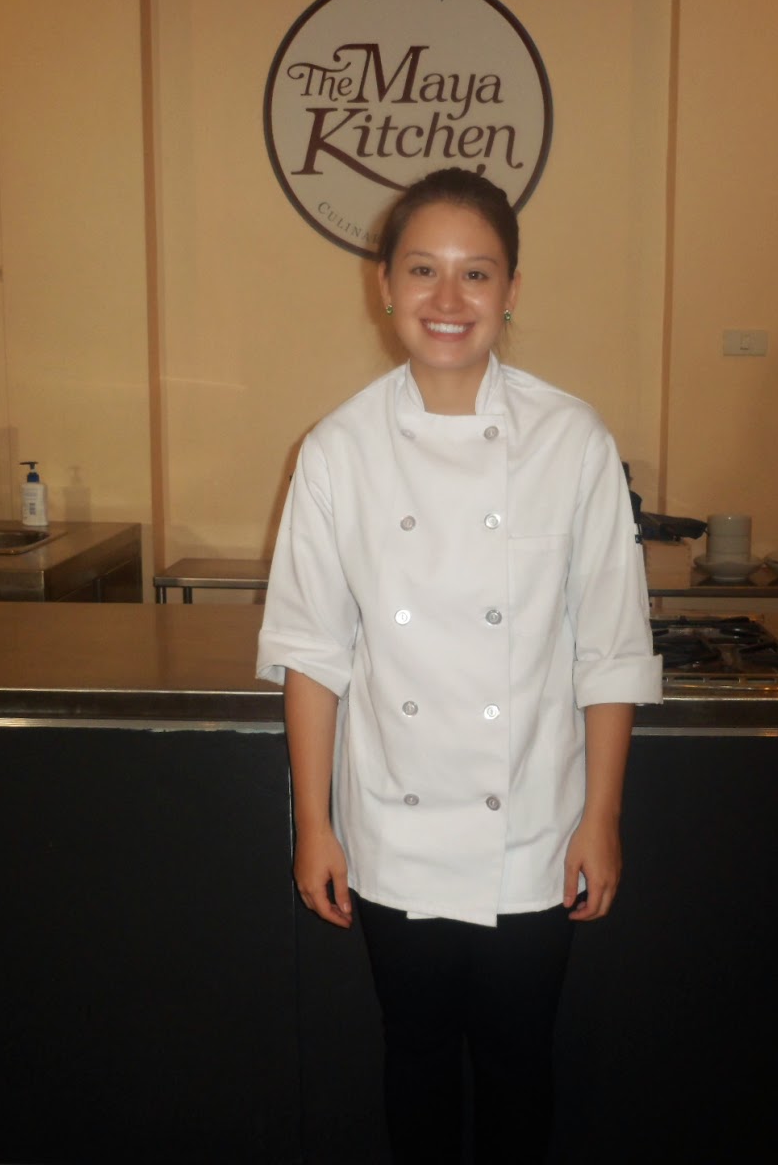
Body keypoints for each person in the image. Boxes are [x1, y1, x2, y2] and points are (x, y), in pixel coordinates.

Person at [256, 166, 662, 1162]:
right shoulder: (337, 450)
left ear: (511, 289)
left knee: (521, 1064)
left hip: (533, 826)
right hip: (392, 831)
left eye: (475, 273)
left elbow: (609, 647)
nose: (448, 298)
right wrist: (315, 826)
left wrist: (601, 818)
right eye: (422, 270)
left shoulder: (572, 440)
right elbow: (313, 653)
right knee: (416, 1059)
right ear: (384, 286)